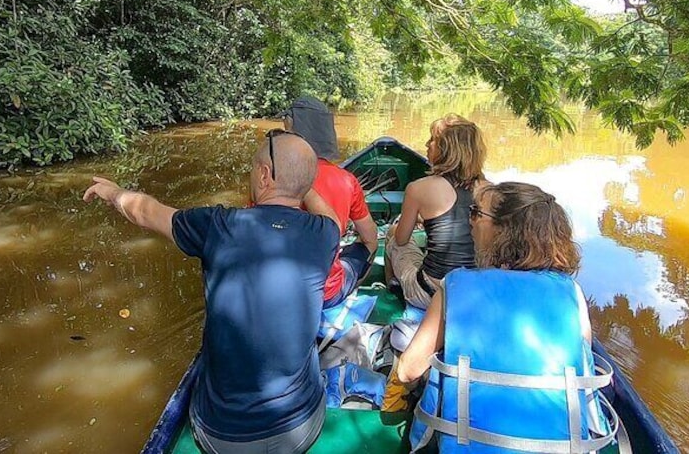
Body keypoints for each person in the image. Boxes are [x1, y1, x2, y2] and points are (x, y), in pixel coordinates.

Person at [83, 131, 340, 454]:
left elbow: (145, 212)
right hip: (300, 430)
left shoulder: (218, 226)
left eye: (254, 167)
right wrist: (301, 184)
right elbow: (330, 216)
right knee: (314, 361)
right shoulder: (324, 234)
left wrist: (114, 192)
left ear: (264, 175)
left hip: (222, 438)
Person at [397, 182, 616, 453]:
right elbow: (582, 365)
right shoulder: (572, 293)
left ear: (504, 230)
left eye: (476, 213)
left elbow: (408, 370)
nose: (470, 220)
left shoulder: (455, 285)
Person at [282, 95, 378, 308]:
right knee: (368, 245)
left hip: (281, 290)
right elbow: (371, 238)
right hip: (325, 293)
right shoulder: (347, 180)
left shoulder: (270, 178)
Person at [384, 114, 487, 309]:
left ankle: (393, 287)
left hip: (428, 295)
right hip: (472, 294)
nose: (426, 144)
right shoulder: (490, 191)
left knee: (392, 234)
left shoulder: (418, 188)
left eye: (432, 140)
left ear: (446, 149)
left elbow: (401, 240)